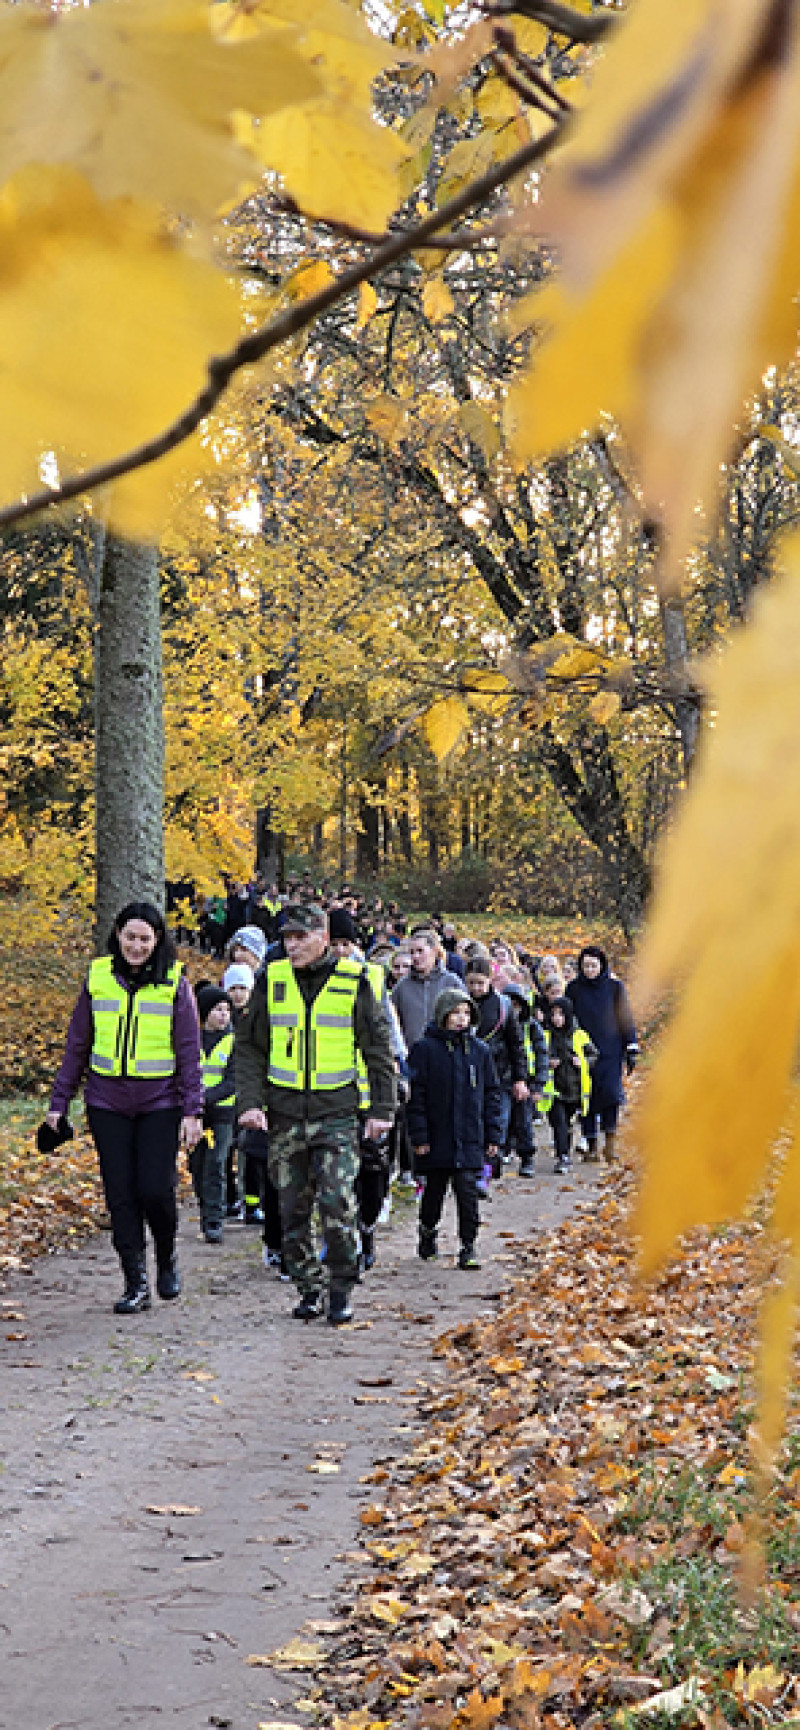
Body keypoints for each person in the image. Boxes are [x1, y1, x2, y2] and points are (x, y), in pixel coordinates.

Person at [235, 903, 396, 1325]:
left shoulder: (353, 982)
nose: (292, 946)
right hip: (284, 1115)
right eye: (286, 938)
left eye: (300, 937)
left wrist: (383, 1108)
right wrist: (250, 1103)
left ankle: (341, 1285)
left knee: (337, 1202)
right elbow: (249, 1047)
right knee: (290, 1209)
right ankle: (308, 1287)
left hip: (338, 1114)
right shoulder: (271, 980)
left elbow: (378, 1050)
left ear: (323, 938)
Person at [44, 901, 203, 1313]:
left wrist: (192, 1110)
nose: (136, 946)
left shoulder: (174, 982)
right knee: (121, 1195)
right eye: (130, 937)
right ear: (117, 935)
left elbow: (189, 1050)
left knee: (155, 1188)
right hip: (106, 1101)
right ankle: (135, 1281)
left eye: (145, 938)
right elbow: (77, 1044)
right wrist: (58, 1103)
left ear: (157, 941)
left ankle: (166, 1255)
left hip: (159, 1102)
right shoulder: (98, 977)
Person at [407, 988, 503, 1269]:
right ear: (443, 1015)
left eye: (466, 1013)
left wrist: (493, 1134)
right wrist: (419, 1136)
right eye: (455, 1013)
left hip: (470, 1136)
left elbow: (492, 1094)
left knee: (468, 1194)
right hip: (438, 1136)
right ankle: (427, 1232)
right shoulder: (425, 1050)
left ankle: (468, 1245)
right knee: (434, 1193)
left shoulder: (479, 1051)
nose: (461, 1019)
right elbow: (416, 1097)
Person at [566, 945, 638, 1161]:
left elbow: (625, 1016)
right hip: (583, 1050)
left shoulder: (615, 988)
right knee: (587, 1096)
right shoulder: (574, 988)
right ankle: (591, 1145)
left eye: (593, 965)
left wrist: (631, 1046)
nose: (589, 970)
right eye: (585, 966)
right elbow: (567, 1017)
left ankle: (610, 1143)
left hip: (610, 1049)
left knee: (610, 1095)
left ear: (602, 965)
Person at [464, 956, 529, 1188]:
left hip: (498, 1074)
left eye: (480, 983)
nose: (475, 989)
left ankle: (487, 1169)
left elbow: (516, 1045)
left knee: (496, 1121)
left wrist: (520, 1078)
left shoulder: (503, 1007)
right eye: (471, 983)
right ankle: (474, 1166)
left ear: (490, 980)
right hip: (467, 1075)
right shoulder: (460, 1004)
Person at [192, 984, 235, 1244]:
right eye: (218, 1009)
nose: (223, 1015)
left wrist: (206, 1098)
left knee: (216, 1164)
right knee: (197, 1165)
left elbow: (233, 1080)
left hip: (222, 1113)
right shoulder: (191, 1039)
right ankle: (203, 1210)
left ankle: (214, 1220)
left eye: (227, 1010)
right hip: (196, 1115)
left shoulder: (233, 1042)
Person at [541, 996, 597, 1173]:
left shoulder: (579, 1035)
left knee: (567, 1123)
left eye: (561, 1014)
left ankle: (565, 1151)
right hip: (554, 1089)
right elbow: (536, 1057)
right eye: (554, 1014)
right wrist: (547, 1062)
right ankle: (562, 1155)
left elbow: (593, 1054)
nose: (557, 1018)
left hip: (574, 1088)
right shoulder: (545, 1035)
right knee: (558, 1122)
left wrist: (583, 1062)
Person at [391, 928, 464, 1053]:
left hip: (446, 1056)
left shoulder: (452, 982)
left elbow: (466, 1021)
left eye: (420, 951)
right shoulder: (402, 987)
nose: (415, 956)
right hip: (412, 1057)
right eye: (412, 952)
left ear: (434, 951)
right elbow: (391, 1023)